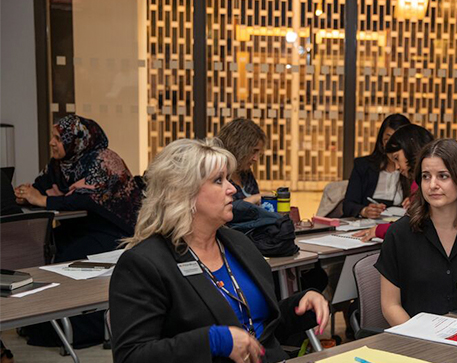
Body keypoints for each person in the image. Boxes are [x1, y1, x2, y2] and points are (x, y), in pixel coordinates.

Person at [110, 138, 329, 363]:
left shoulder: (238, 243)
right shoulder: (144, 264)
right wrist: (212, 341)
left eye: (227, 179)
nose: (232, 189)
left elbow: (259, 328)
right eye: (218, 180)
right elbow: (131, 357)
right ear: (183, 192)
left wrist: (300, 306)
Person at [374, 139, 457, 326]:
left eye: (443, 176)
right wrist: (420, 337)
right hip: (414, 341)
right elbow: (390, 306)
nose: (432, 185)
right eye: (426, 176)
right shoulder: (400, 234)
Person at [14, 115, 142, 262]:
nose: (51, 143)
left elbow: (83, 199)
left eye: (58, 139)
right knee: (37, 248)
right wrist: (26, 196)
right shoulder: (60, 164)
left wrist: (41, 200)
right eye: (53, 137)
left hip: (113, 231)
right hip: (79, 228)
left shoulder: (104, 160)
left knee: (64, 259)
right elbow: (40, 188)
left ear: (76, 141)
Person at [351, 124, 435, 241]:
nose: (396, 167)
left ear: (410, 149)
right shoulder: (420, 182)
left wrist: (379, 230)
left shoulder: (425, 183)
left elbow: (414, 227)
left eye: (396, 158)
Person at [342, 113, 411, 218]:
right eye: (387, 140)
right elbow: (348, 205)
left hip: (398, 227)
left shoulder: (412, 170)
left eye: (398, 141)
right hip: (364, 224)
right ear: (381, 141)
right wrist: (364, 211)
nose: (392, 146)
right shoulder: (363, 165)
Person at [216, 118, 269, 205]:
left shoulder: (246, 174)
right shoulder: (216, 175)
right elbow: (221, 210)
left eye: (259, 153)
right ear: (238, 147)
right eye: (253, 151)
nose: (256, 159)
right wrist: (254, 198)